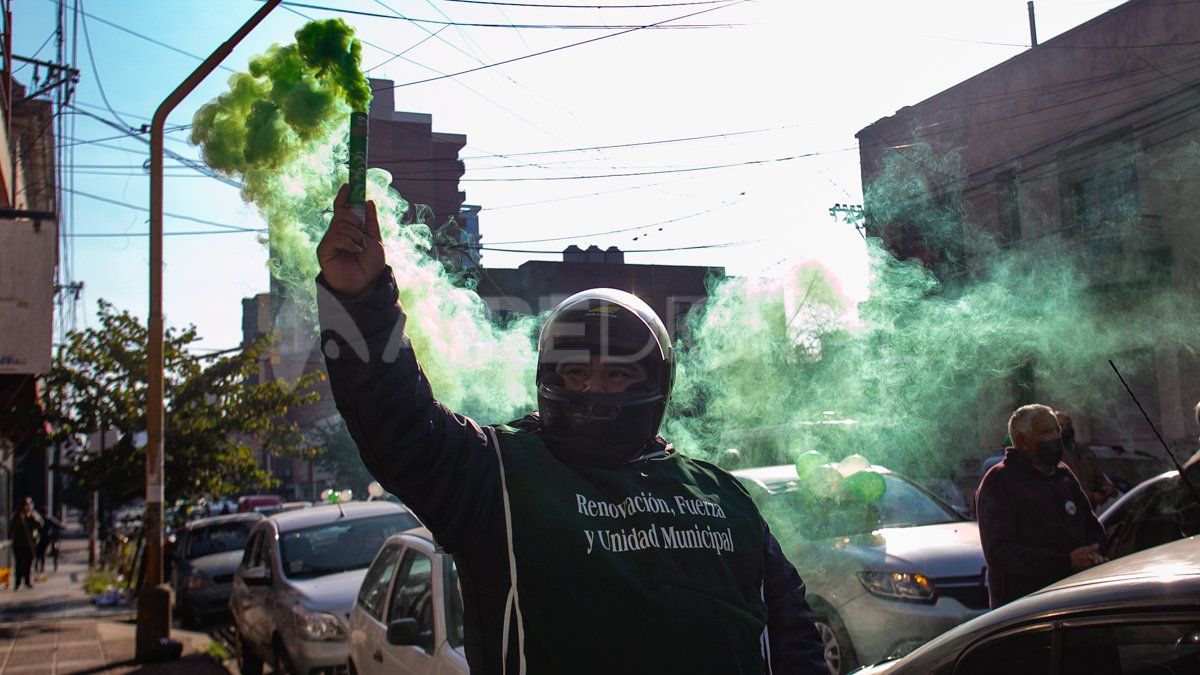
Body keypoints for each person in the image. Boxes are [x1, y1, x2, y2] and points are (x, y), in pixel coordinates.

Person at [316, 185, 827, 674]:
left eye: (617, 374)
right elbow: (397, 423)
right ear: (547, 381)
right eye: (576, 373)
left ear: (655, 382)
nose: (594, 391)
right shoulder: (495, 474)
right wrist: (362, 299)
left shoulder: (725, 497)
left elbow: (791, 634)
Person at [976, 404, 1108, 608]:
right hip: (1024, 611)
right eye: (1047, 432)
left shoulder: (1062, 474)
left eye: (1057, 430)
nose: (1056, 438)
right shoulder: (998, 482)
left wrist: (1093, 551)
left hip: (1072, 600)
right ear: (1023, 441)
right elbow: (1000, 553)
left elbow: (1091, 526)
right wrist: (1066, 562)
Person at [1054, 410, 1117, 511]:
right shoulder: (1053, 456)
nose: (1065, 428)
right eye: (1061, 426)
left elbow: (1099, 477)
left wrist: (1107, 488)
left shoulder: (1084, 451)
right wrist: (1091, 496)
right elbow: (1060, 488)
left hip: (1090, 513)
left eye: (1068, 425)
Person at [9, 497, 42, 591]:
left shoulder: (33, 514)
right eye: (25, 505)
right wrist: (19, 522)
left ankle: (27, 582)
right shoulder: (17, 516)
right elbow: (11, 528)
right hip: (19, 544)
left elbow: (40, 524)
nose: (26, 507)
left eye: (28, 505)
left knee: (28, 563)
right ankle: (18, 583)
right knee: (19, 564)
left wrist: (32, 519)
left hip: (30, 543)